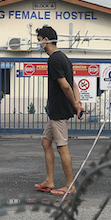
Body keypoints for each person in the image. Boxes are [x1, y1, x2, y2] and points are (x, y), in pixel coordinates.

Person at [33, 25, 84, 197]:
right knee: (46, 142)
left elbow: (66, 86)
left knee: (62, 147)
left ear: (46, 40)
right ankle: (49, 180)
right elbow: (73, 83)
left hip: (59, 110)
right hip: (56, 111)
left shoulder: (54, 59)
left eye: (39, 40)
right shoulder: (64, 58)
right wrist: (77, 102)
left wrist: (74, 103)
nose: (38, 44)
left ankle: (70, 186)